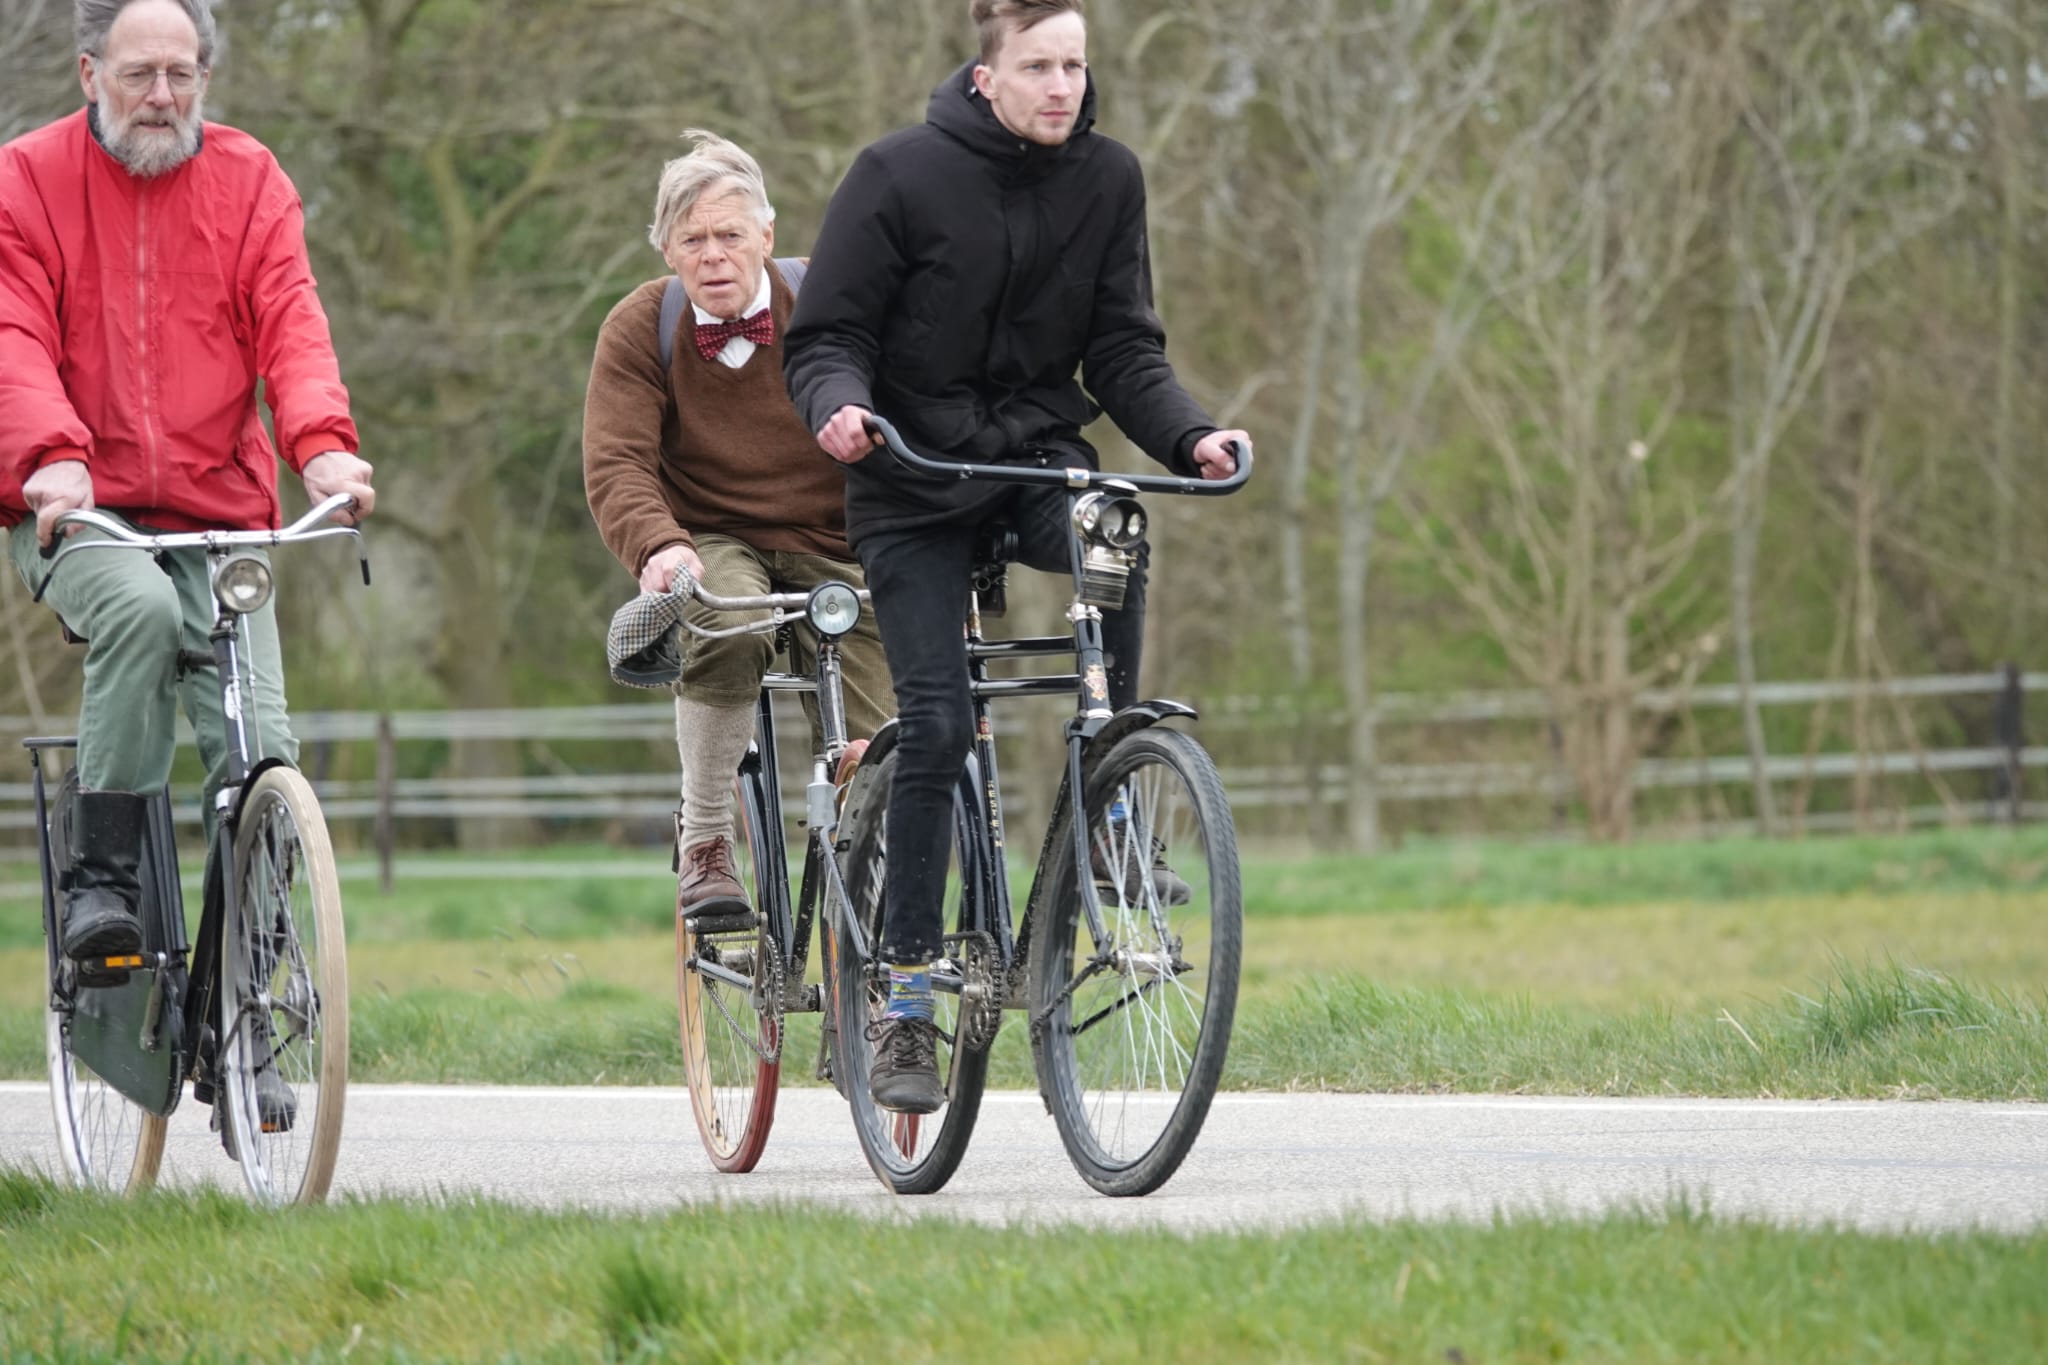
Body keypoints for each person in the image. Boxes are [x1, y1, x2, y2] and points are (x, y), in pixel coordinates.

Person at [784, 0, 1252, 1114]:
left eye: (1075, 66)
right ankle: (905, 998)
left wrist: (1190, 435)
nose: (1062, 87)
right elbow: (827, 337)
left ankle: (1109, 807)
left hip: (1033, 464)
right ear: (985, 76)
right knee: (940, 725)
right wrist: (840, 408)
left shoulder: (1109, 179)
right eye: (1038, 66)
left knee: (1114, 527)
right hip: (907, 483)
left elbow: (1123, 349)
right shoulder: (895, 175)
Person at [0, 0, 375, 979]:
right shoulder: (26, 181)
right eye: (140, 74)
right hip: (78, 505)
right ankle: (102, 882)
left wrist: (322, 447)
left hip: (220, 511)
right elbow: (13, 337)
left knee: (263, 739)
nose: (162, 95)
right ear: (90, 74)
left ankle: (253, 963)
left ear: (205, 75)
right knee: (139, 611)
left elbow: (292, 324)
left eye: (182, 73)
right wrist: (51, 453)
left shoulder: (251, 181)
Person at [583, 131, 892, 917]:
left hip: (834, 536)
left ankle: (873, 896)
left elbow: (899, 414)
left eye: (729, 234)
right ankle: (706, 837)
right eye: (692, 240)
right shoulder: (640, 326)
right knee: (729, 618)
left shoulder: (830, 298)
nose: (714, 256)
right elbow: (616, 461)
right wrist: (659, 545)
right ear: (666, 248)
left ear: (767, 233)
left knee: (886, 738)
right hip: (711, 535)